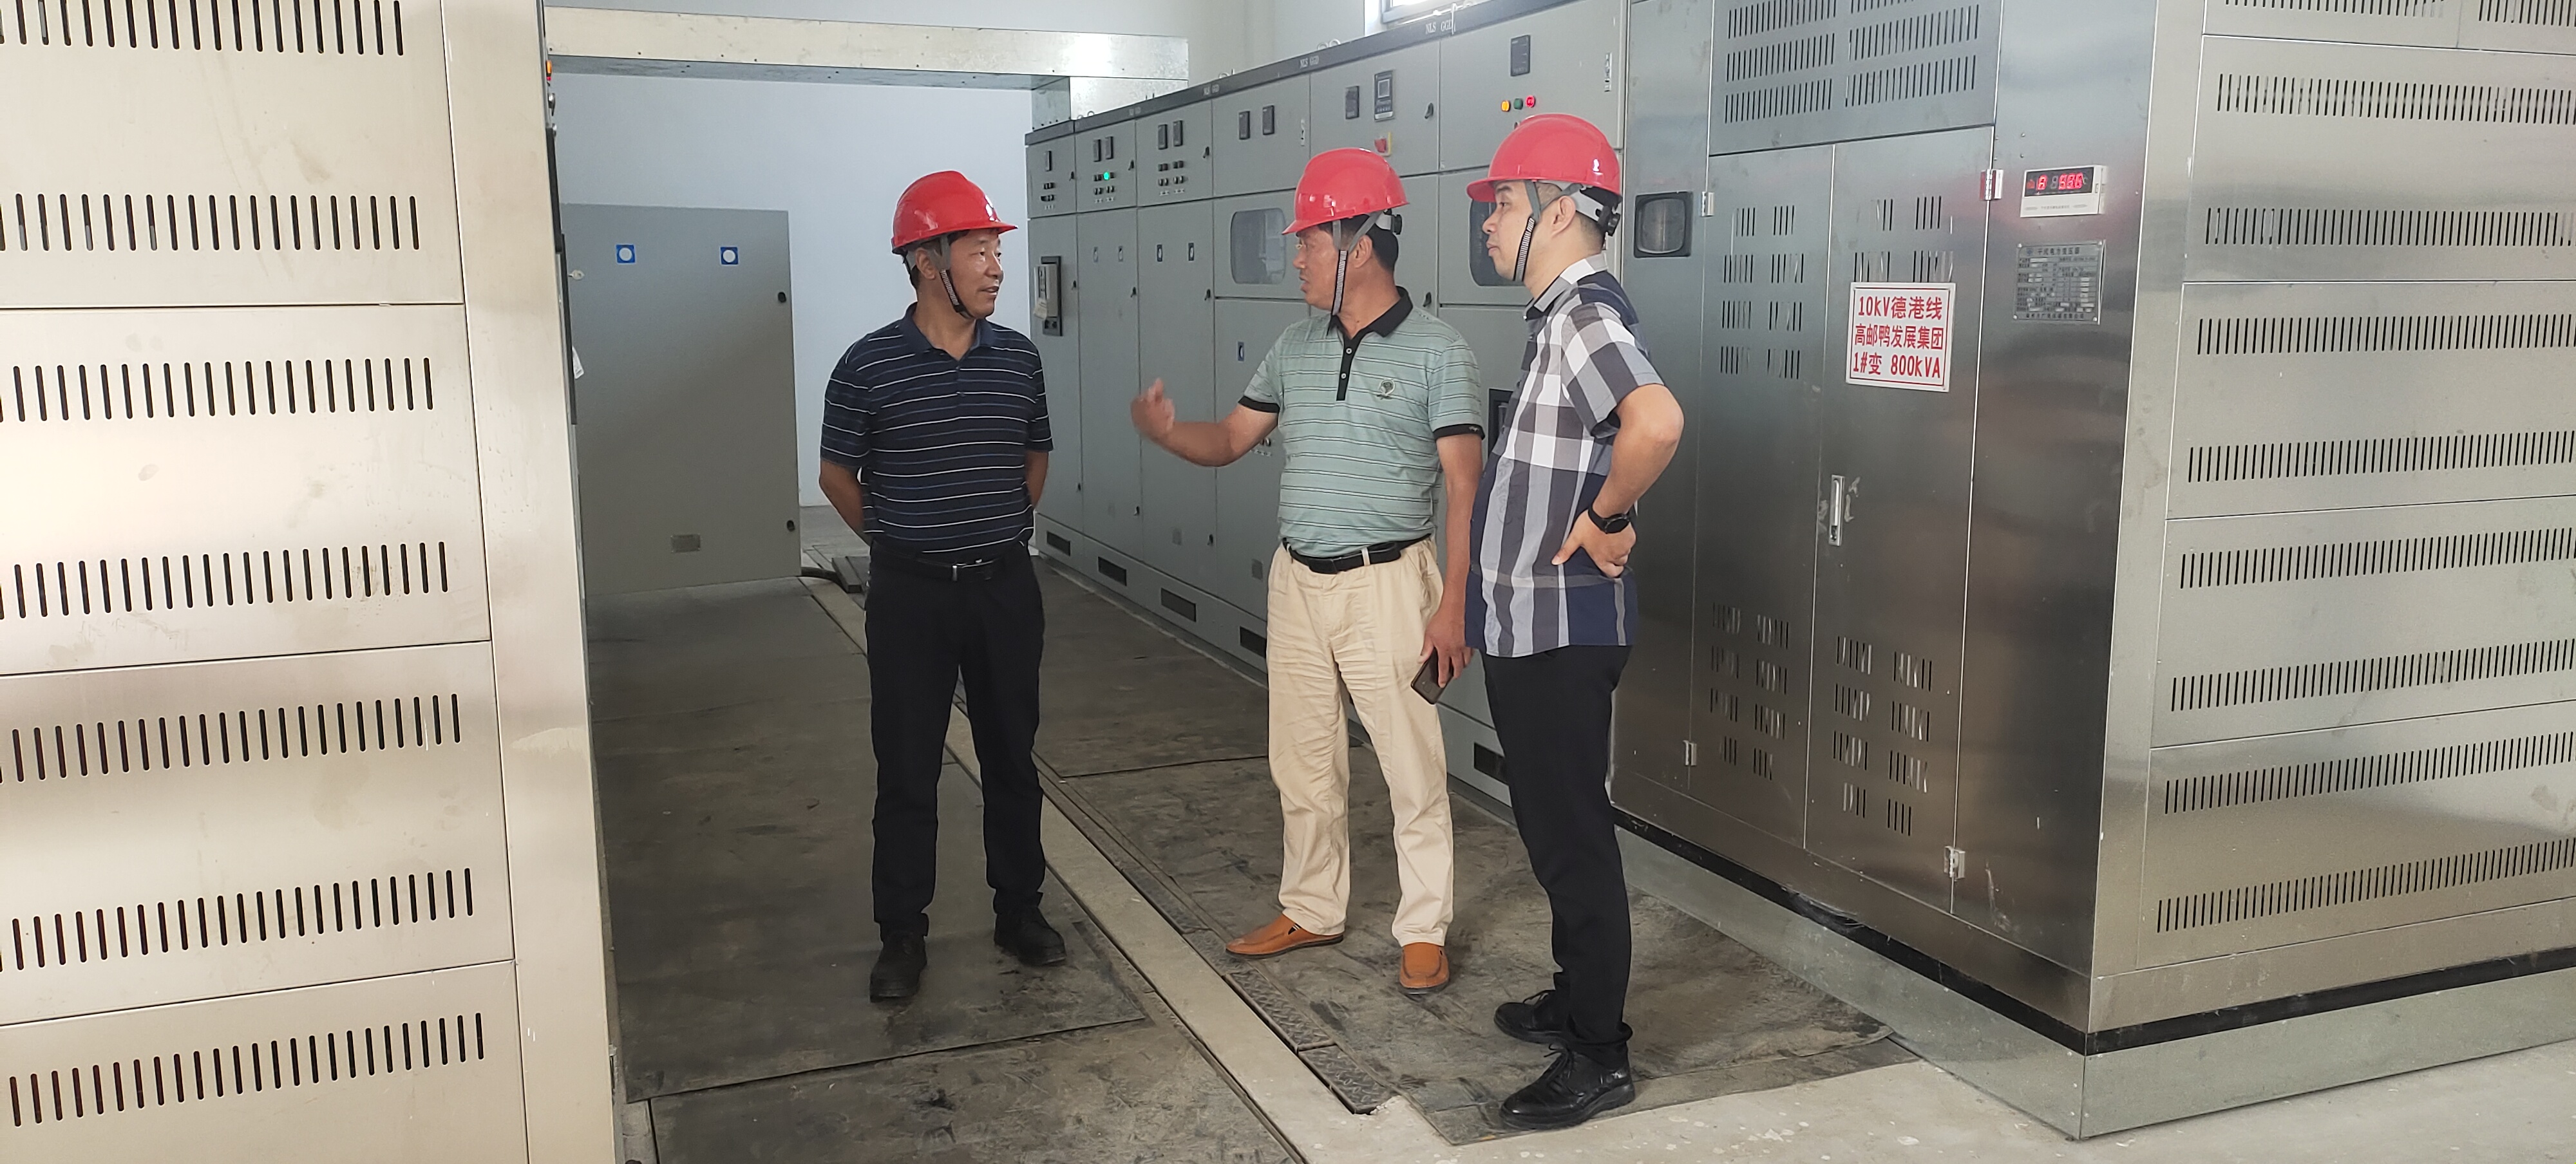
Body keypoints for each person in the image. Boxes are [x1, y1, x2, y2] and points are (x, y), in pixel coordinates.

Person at [1130, 148, 1484, 997]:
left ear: (1359, 244)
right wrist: (1170, 433)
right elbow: (1231, 438)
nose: (1295, 258)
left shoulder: (1440, 352)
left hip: (1388, 583)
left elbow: (1466, 488)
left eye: (1308, 242)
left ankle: (1423, 927)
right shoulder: (1294, 347)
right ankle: (1313, 907)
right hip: (1297, 581)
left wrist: (1455, 608)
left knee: (1411, 766)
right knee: (1302, 760)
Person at [1466, 114, 1685, 1129]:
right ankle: (1576, 996)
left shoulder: (1585, 316)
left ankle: (1599, 1052)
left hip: (1562, 631)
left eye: (1504, 203)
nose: (1489, 223)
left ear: (1559, 212)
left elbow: (1657, 421)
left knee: (1573, 839)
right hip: (1536, 625)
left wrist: (1608, 516)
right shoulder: (1558, 316)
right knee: (1553, 828)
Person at [818, 171, 1063, 1002]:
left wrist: (998, 529)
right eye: (980, 251)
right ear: (928, 261)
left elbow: (1034, 457)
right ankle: (902, 932)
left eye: (997, 251)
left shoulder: (1018, 360)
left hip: (1003, 589)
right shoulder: (867, 366)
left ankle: (1019, 910)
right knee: (907, 765)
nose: (997, 268)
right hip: (910, 598)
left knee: (1011, 757)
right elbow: (836, 475)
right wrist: (897, 541)